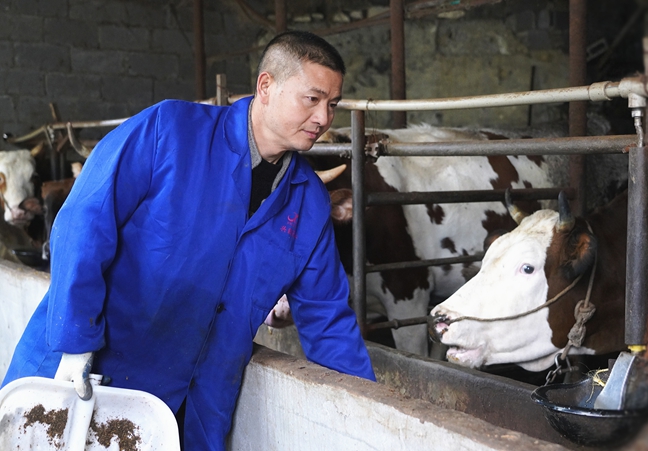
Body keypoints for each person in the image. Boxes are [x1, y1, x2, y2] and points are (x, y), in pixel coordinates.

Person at [2, 30, 375, 450]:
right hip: (79, 375)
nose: (324, 118)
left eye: (333, 104)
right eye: (312, 99)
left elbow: (328, 319)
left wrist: (369, 412)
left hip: (186, 410)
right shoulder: (170, 131)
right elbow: (83, 224)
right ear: (266, 86)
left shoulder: (307, 203)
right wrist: (74, 342)